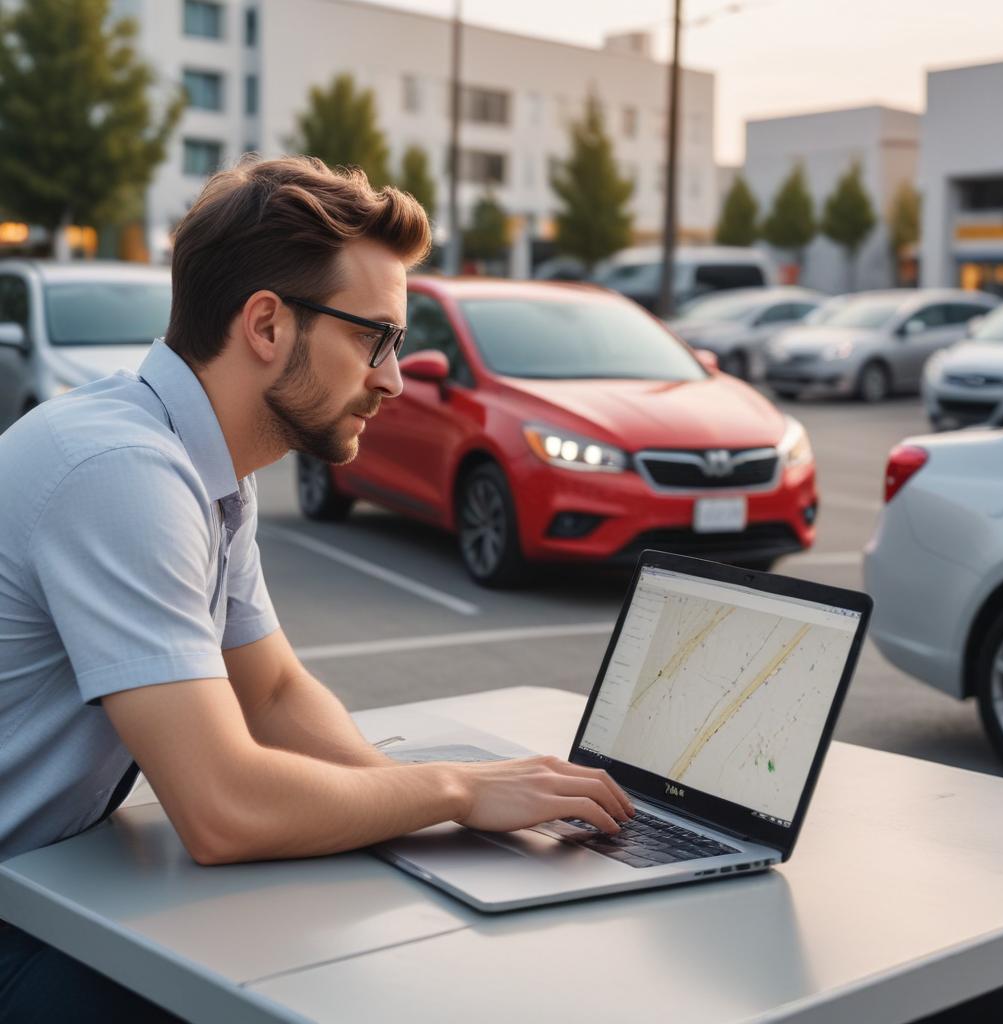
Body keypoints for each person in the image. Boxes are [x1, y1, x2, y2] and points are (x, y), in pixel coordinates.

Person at [0, 156, 633, 1021]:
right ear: (266, 324)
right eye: (374, 337)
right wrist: (454, 790)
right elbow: (222, 811)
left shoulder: (204, 463)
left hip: (40, 879)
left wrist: (403, 810)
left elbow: (272, 689)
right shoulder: (123, 473)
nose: (393, 379)